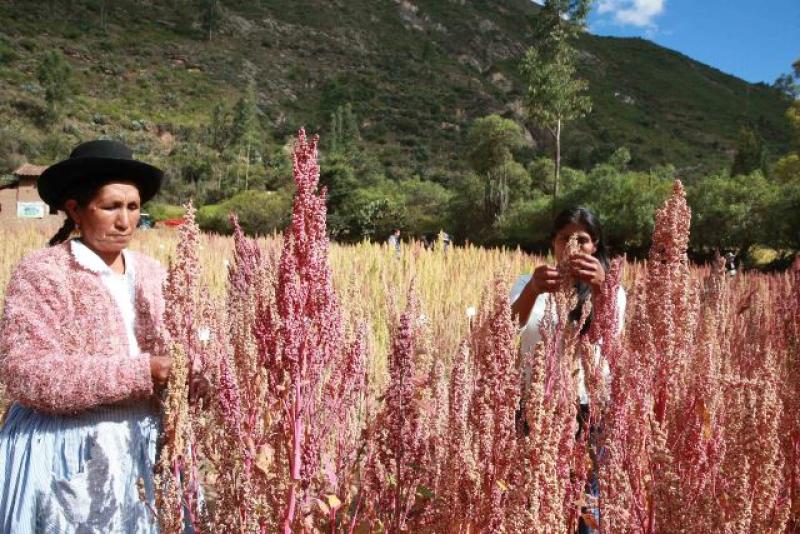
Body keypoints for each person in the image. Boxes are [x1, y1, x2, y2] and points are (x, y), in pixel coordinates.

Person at [0, 140, 175, 533]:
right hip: (67, 451)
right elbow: (26, 373)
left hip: (143, 447)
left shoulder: (153, 272)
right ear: (75, 209)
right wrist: (144, 371)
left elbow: (182, 351)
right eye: (110, 207)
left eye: (132, 207)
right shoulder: (43, 272)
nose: (124, 221)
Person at [510, 207, 626, 534]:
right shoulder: (528, 282)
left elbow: (610, 338)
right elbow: (506, 330)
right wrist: (533, 289)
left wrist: (603, 289)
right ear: (553, 243)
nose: (573, 246)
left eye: (583, 240)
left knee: (585, 506)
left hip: (588, 409)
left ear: (595, 245)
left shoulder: (611, 290)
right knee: (535, 500)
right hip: (536, 406)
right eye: (565, 238)